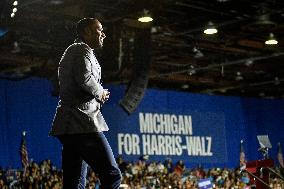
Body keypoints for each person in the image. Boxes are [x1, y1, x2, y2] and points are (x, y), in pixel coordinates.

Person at [50, 17, 122, 189]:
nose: (103, 34)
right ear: (87, 32)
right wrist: (101, 92)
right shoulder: (80, 50)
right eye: (100, 30)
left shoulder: (79, 50)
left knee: (74, 183)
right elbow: (85, 78)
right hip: (81, 123)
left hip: (71, 126)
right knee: (112, 176)